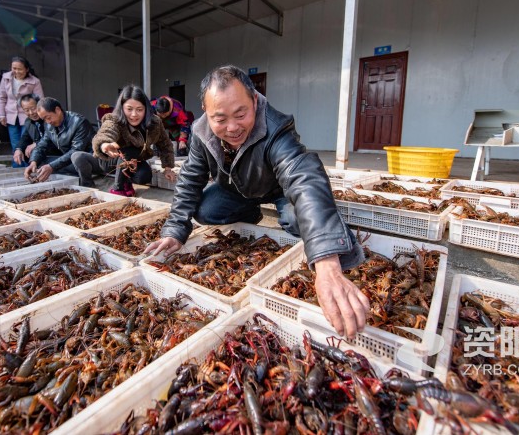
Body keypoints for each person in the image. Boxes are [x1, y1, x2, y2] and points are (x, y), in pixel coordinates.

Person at [145, 65, 369, 338]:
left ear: (254, 100)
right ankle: (250, 212)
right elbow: (190, 179)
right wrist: (175, 229)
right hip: (237, 189)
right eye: (220, 118)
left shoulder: (275, 126)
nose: (232, 127)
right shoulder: (201, 132)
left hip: (278, 190)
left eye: (241, 114)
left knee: (296, 218)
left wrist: (327, 262)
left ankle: (339, 242)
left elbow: (303, 177)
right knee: (205, 210)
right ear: (205, 110)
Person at [92, 85, 177, 197]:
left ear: (146, 108)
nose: (134, 114)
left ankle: (127, 182)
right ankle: (117, 188)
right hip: (111, 158)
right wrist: (104, 144)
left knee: (144, 176)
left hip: (135, 159)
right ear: (122, 108)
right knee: (130, 150)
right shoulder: (114, 119)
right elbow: (106, 131)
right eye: (129, 109)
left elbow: (165, 144)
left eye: (139, 109)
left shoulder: (155, 123)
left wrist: (168, 168)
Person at [24, 97, 102, 187]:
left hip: (90, 160)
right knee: (40, 163)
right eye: (44, 119)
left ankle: (87, 185)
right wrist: (33, 162)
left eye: (48, 117)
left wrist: (52, 166)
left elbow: (76, 150)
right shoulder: (49, 125)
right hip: (70, 160)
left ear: (57, 110)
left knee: (77, 157)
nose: (47, 122)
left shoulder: (79, 122)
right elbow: (42, 145)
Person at [0, 56, 44, 166]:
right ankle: (18, 168)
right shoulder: (6, 77)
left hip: (28, 116)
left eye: (20, 69)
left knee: (26, 142)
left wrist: (40, 116)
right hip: (11, 115)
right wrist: (1, 115)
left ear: (27, 69)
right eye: (14, 68)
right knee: (15, 145)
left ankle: (30, 166)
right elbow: (1, 97)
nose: (16, 71)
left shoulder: (34, 81)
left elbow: (40, 100)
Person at [13, 94, 45, 166]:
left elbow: (53, 137)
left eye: (33, 108)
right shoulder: (28, 121)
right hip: (42, 150)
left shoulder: (48, 118)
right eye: (26, 110)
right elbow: (25, 137)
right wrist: (18, 149)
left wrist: (36, 144)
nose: (31, 113)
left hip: (54, 150)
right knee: (23, 150)